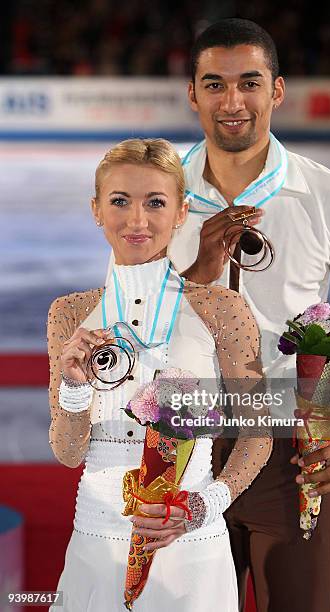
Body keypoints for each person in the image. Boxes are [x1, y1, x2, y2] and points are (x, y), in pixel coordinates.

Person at [167, 18, 330, 612]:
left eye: (249, 82)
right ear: (192, 93)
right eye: (214, 84)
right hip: (179, 442)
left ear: (277, 91)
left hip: (293, 451)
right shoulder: (155, 194)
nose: (232, 101)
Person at [47, 138, 272, 611]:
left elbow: (258, 434)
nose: (137, 220)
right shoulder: (69, 315)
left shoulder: (221, 309)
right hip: (97, 538)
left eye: (155, 202)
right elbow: (68, 455)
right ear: (95, 209)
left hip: (189, 544)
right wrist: (72, 386)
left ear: (181, 211)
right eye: (119, 201)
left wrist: (201, 507)